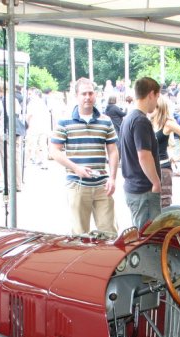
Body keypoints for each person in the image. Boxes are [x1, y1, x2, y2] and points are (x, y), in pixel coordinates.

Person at [49, 78, 119, 235]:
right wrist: (75, 168)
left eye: (90, 93)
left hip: (102, 185)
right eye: (83, 94)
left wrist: (113, 178)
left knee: (109, 234)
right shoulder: (65, 121)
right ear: (76, 96)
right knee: (80, 235)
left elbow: (113, 150)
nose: (87, 97)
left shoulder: (105, 121)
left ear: (96, 95)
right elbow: (54, 150)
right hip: (77, 184)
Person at [119, 76, 162, 230]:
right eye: (157, 96)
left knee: (141, 234)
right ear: (151, 94)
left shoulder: (128, 118)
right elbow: (144, 156)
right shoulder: (140, 121)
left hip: (134, 188)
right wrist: (156, 182)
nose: (157, 101)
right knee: (149, 239)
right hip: (144, 191)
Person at [150, 94, 180, 208]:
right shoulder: (148, 122)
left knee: (164, 203)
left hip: (163, 167)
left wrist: (179, 156)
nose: (150, 109)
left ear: (159, 107)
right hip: (149, 168)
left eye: (153, 106)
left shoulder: (168, 123)